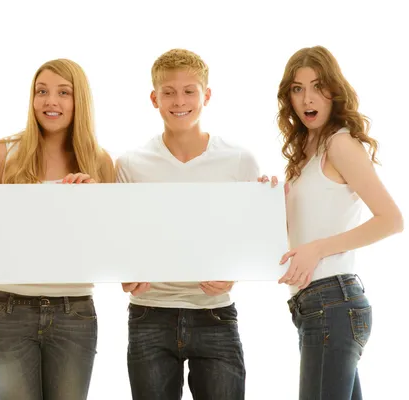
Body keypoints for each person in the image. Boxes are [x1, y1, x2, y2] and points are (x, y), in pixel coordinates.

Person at [0, 58, 115, 400]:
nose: (51, 101)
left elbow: (108, 246)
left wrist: (94, 201)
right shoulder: (1, 153)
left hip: (74, 310)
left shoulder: (100, 161)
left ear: (80, 101)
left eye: (64, 92)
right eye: (42, 91)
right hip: (6, 310)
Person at [116, 48, 275, 400]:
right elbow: (122, 236)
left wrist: (233, 271)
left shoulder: (238, 159)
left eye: (190, 90)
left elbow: (252, 236)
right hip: (149, 315)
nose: (179, 101)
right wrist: (126, 273)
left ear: (207, 95)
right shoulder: (131, 163)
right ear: (154, 98)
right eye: (169, 92)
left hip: (214, 314)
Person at [276, 45, 404, 400]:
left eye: (317, 86)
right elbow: (299, 235)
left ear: (334, 91)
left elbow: (392, 220)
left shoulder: (340, 144)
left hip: (332, 304)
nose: (307, 98)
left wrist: (318, 249)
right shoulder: (306, 153)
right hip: (316, 307)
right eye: (297, 89)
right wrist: (274, 204)